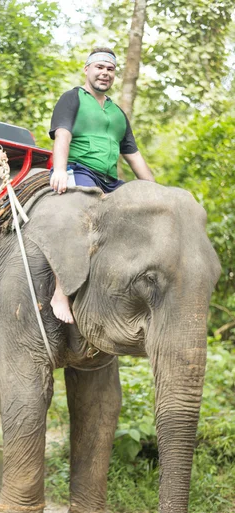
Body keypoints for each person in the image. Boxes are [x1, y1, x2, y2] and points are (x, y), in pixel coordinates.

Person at [49, 46, 155, 324]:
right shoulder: (73, 98)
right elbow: (62, 135)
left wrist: (156, 191)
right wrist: (59, 170)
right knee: (81, 216)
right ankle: (60, 292)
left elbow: (134, 156)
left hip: (110, 179)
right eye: (99, 67)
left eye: (110, 69)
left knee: (142, 218)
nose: (105, 73)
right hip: (79, 169)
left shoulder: (117, 113)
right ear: (87, 70)